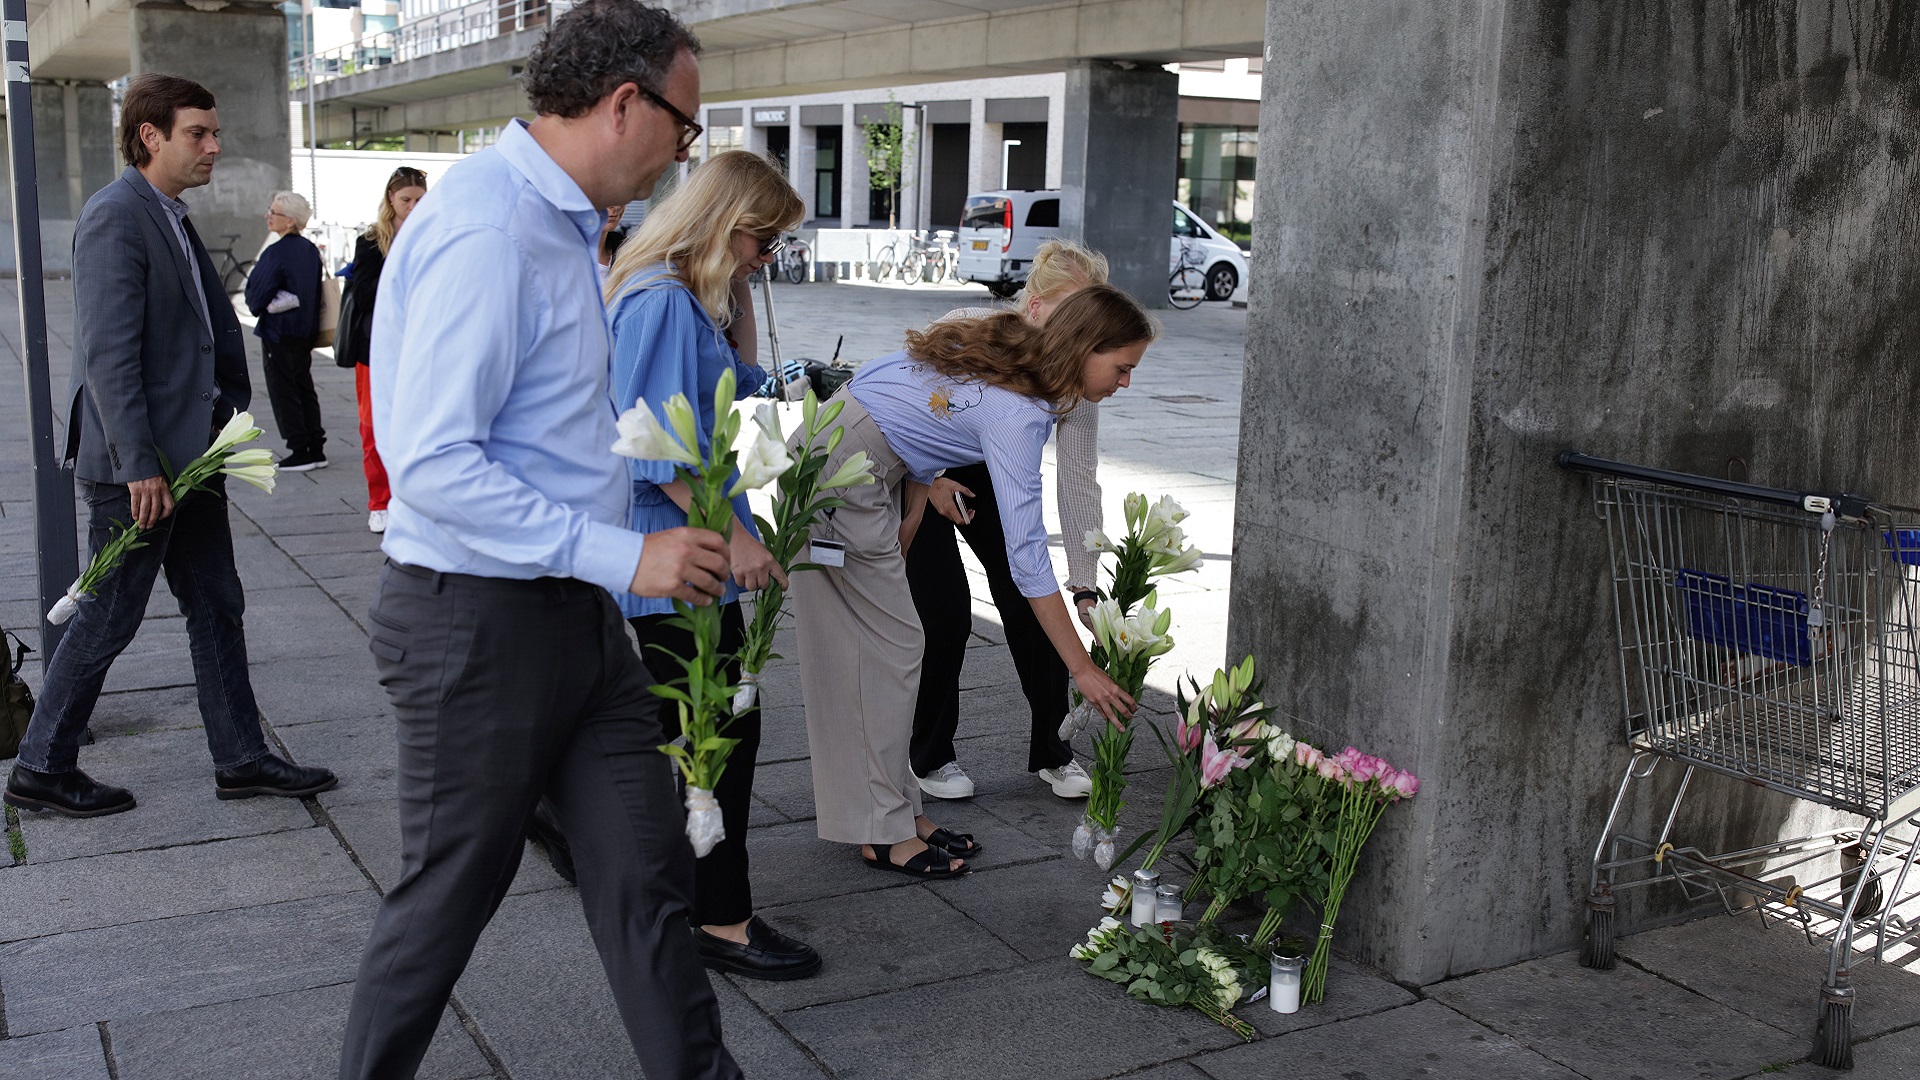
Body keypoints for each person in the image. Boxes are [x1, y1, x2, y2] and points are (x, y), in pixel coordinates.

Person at [337, 5, 744, 1079]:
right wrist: (628, 556)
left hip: (571, 615)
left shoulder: (555, 222)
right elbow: (431, 462)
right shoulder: (488, 226)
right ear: (625, 104)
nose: (682, 155)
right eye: (685, 128)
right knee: (448, 901)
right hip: (477, 623)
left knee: (647, 875)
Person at [2, 73, 337, 818]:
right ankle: (41, 765)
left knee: (216, 600)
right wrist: (136, 466)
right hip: (144, 464)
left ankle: (241, 756)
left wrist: (222, 413)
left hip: (195, 455)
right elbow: (109, 354)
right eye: (199, 133)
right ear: (151, 135)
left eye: (215, 132)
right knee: (112, 611)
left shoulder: (170, 214)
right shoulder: (116, 215)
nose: (214, 146)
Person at [795, 285, 1154, 878]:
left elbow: (906, 407)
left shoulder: (1017, 356)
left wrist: (911, 509)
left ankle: (897, 814)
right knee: (879, 651)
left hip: (859, 460)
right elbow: (1028, 558)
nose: (1125, 384)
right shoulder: (1020, 409)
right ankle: (880, 828)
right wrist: (1083, 671)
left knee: (895, 646)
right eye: (1122, 368)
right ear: (1086, 348)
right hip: (837, 468)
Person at [601, 149, 815, 979]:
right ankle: (720, 920)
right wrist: (739, 539)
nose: (769, 258)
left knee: (702, 732)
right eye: (764, 240)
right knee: (717, 734)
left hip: (689, 548)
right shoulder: (660, 303)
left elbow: (740, 383)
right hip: (681, 553)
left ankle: (690, 897)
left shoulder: (684, 299)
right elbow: (654, 449)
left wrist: (739, 300)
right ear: (727, 225)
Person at [907, 240, 1110, 802]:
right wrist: (928, 481)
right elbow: (902, 406)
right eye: (1072, 314)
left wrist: (1087, 585)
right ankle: (929, 756)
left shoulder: (1079, 372)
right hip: (925, 469)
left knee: (1030, 597)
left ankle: (1052, 749)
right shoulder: (967, 325)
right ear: (1036, 306)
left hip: (995, 473)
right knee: (943, 611)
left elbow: (1077, 477)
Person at [338, 166, 427, 534]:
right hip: (375, 346)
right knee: (373, 424)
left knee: (419, 423)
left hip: (420, 343)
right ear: (390, 198)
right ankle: (380, 501)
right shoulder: (373, 240)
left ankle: (412, 498)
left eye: (419, 200)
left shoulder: (432, 233)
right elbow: (366, 293)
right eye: (406, 199)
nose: (412, 206)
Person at [244, 190, 327, 472]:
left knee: (284, 390)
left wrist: (259, 303)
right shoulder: (309, 250)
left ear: (290, 221)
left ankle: (300, 449)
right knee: (304, 387)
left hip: (279, 332)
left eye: (274, 213)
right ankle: (315, 447)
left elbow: (255, 296)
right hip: (306, 332)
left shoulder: (276, 252)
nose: (268, 216)